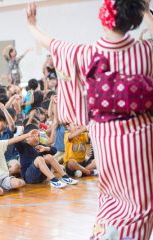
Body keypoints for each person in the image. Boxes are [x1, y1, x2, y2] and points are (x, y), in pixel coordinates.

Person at [26, 1, 153, 239]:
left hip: (105, 134)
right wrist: (145, 10)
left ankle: (106, 234)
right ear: (134, 18)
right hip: (140, 133)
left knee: (109, 196)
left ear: (105, 17)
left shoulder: (87, 53)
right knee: (141, 202)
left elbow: (53, 44)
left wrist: (32, 25)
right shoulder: (145, 50)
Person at [15, 124, 78, 188]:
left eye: (38, 136)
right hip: (29, 177)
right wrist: (26, 134)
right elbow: (15, 141)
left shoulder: (40, 145)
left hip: (42, 177)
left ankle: (65, 177)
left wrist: (45, 148)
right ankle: (54, 180)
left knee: (48, 156)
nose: (37, 138)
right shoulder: (22, 146)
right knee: (39, 158)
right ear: (27, 138)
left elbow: (54, 151)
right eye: (34, 136)